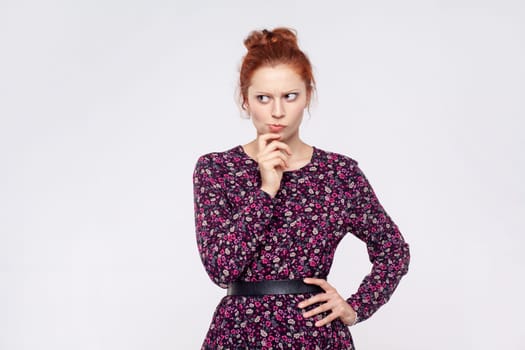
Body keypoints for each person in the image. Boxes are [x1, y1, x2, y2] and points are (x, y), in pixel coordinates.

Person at [192, 27, 410, 350]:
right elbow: (220, 269)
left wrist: (356, 307)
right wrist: (266, 189)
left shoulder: (339, 174)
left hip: (315, 337)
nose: (277, 112)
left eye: (289, 96)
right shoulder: (216, 170)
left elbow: (394, 251)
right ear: (245, 99)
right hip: (239, 336)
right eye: (263, 98)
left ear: (308, 95)